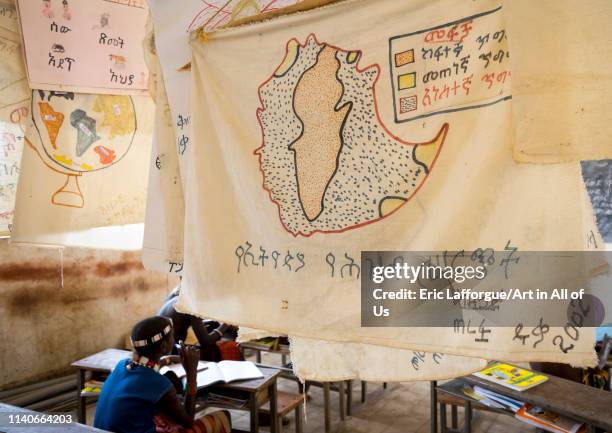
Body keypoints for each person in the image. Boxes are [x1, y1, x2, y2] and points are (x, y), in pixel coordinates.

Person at [94, 316, 231, 433]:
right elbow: (188, 421)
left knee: (162, 415)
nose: (174, 338)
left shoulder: (122, 365)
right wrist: (191, 373)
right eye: (172, 336)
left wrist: (167, 360)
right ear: (164, 346)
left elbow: (145, 369)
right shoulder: (162, 385)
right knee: (223, 416)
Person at [158, 288, 238, 362]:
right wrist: (226, 324)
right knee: (221, 349)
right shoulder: (191, 303)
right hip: (172, 352)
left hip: (160, 349)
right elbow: (206, 342)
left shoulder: (177, 293)